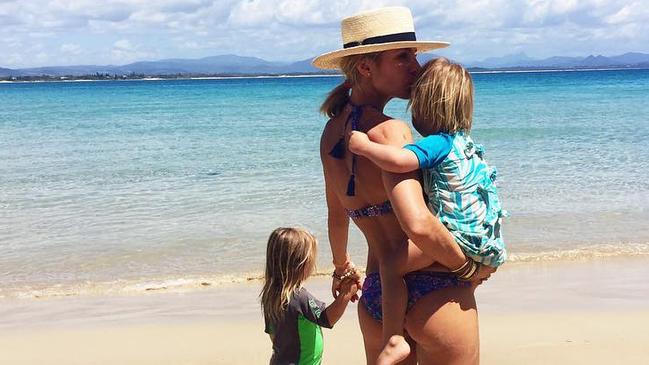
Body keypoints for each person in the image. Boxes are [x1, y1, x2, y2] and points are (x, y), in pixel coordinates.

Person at [313, 7, 494, 365]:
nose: (416, 65)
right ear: (366, 67)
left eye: (414, 54)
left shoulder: (331, 134)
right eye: (402, 56)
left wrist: (342, 268)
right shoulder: (391, 133)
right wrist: (467, 268)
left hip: (379, 295)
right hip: (434, 289)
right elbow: (418, 224)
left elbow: (337, 217)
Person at [348, 57, 508, 361]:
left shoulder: (436, 144)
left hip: (442, 250)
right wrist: (470, 267)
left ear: (426, 104)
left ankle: (394, 338)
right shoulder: (467, 146)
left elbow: (401, 166)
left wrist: (365, 147)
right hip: (469, 256)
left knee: (392, 265)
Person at [260, 227, 359, 365]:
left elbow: (273, 335)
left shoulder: (270, 296)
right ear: (301, 264)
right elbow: (327, 318)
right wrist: (347, 292)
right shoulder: (299, 297)